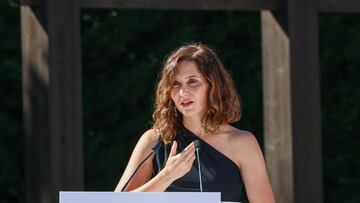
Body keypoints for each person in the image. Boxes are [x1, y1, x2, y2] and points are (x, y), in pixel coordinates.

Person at [114, 43, 275, 203]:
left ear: (213, 86)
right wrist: (166, 176)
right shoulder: (154, 140)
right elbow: (116, 202)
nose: (183, 93)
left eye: (193, 81)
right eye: (175, 84)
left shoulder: (243, 143)